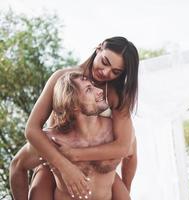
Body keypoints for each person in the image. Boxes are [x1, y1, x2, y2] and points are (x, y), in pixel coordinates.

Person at [22, 36, 139, 198]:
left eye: (116, 72)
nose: (106, 72)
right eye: (105, 62)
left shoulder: (115, 94)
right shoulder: (62, 79)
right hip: (55, 162)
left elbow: (125, 148)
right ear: (98, 48)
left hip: (98, 168)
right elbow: (32, 129)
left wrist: (75, 154)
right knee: (22, 167)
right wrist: (64, 166)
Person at [10, 71, 134, 200]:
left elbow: (131, 156)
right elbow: (17, 166)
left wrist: (126, 188)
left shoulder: (115, 133)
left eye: (93, 85)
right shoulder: (53, 141)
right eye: (88, 89)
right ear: (73, 104)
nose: (100, 90)